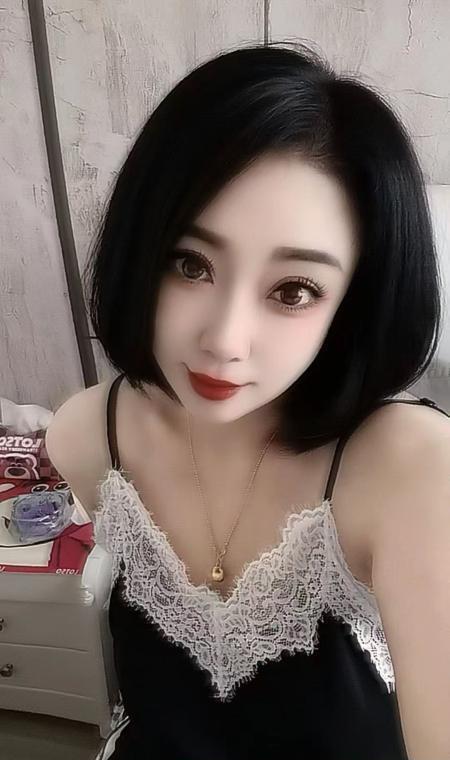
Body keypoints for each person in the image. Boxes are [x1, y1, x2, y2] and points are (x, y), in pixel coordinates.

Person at [45, 42, 449, 759]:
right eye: (190, 263)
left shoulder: (409, 471)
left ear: (352, 303)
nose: (225, 341)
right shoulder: (85, 438)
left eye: (294, 290)